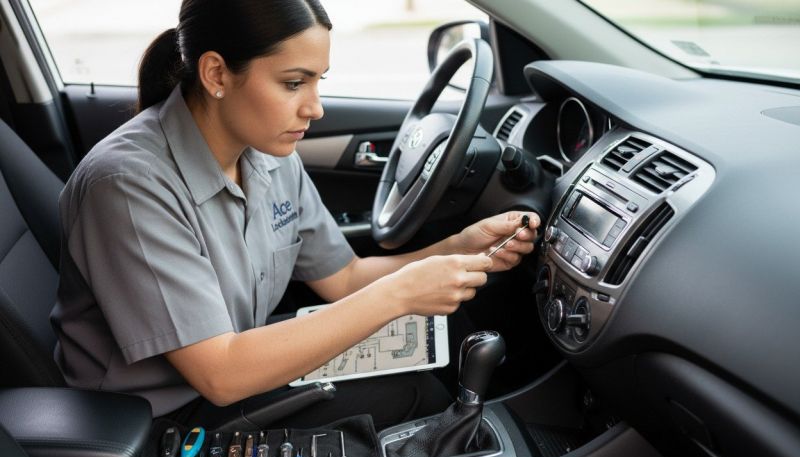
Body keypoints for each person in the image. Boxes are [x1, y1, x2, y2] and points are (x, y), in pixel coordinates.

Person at [51, 0, 539, 429]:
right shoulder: (127, 185)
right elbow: (221, 374)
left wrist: (458, 249)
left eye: (317, 81)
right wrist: (400, 294)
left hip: (238, 364)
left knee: (447, 340)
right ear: (216, 74)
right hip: (159, 420)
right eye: (293, 83)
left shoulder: (266, 154)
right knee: (419, 393)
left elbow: (345, 279)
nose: (316, 108)